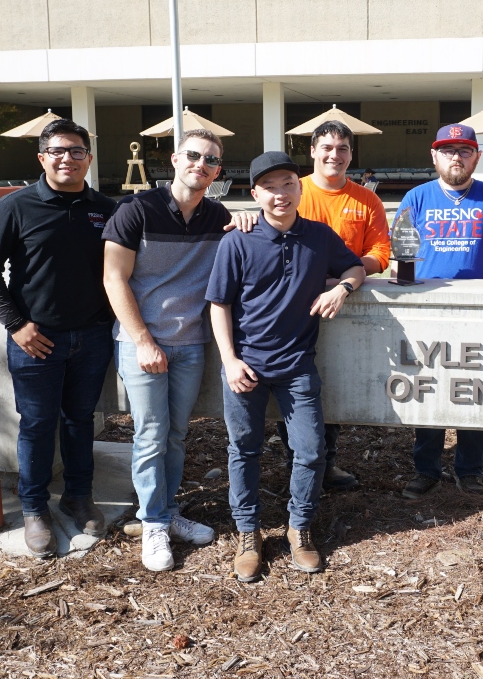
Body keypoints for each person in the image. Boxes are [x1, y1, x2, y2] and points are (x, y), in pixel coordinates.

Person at [207, 151, 366, 582]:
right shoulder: (237, 241)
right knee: (244, 451)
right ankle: (248, 533)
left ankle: (300, 529)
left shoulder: (318, 235)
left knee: (311, 450)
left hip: (297, 365)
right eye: (270, 186)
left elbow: (353, 264)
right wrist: (230, 361)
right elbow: (218, 305)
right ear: (255, 193)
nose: (281, 194)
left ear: (300, 188)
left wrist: (343, 289)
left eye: (288, 184)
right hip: (247, 368)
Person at [0, 118, 117, 557]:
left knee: (80, 420)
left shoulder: (106, 209)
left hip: (91, 337)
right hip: (37, 340)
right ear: (42, 157)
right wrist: (16, 325)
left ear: (88, 159)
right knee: (37, 425)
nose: (67, 158)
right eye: (57, 150)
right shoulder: (15, 207)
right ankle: (34, 507)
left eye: (76, 151)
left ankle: (77, 495)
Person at [102, 129, 230, 572]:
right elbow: (114, 278)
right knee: (151, 434)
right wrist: (142, 341)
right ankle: (153, 522)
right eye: (193, 156)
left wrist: (247, 223)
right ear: (174, 160)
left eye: (211, 160)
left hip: (191, 345)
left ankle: (169, 511)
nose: (201, 164)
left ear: (217, 170)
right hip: (144, 344)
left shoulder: (218, 216)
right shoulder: (136, 210)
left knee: (176, 435)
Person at [397, 124, 483, 500]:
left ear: (477, 157)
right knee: (428, 392)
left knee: (475, 392)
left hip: (477, 312)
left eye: (465, 150)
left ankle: (469, 470)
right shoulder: (416, 199)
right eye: (448, 150)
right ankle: (427, 470)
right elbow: (401, 256)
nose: (457, 157)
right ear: (434, 156)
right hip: (429, 312)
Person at [276, 121, 390, 491]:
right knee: (292, 388)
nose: (334, 155)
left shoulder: (366, 199)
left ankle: (326, 463)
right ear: (312, 151)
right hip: (291, 308)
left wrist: (347, 274)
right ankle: (297, 464)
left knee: (332, 385)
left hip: (343, 303)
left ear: (351, 155)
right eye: (326, 147)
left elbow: (380, 253)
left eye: (342, 149)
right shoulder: (294, 191)